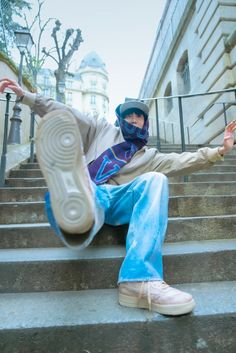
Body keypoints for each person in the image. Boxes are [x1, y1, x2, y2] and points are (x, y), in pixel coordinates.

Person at [1, 77, 236, 316]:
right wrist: (27, 97)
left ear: (145, 122)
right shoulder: (100, 130)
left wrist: (220, 151)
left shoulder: (151, 156)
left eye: (139, 116)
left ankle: (138, 279)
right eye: (128, 115)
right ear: (120, 119)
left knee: (156, 179)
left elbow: (183, 161)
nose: (133, 119)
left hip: (123, 199)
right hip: (94, 191)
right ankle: (75, 208)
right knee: (89, 192)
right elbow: (67, 113)